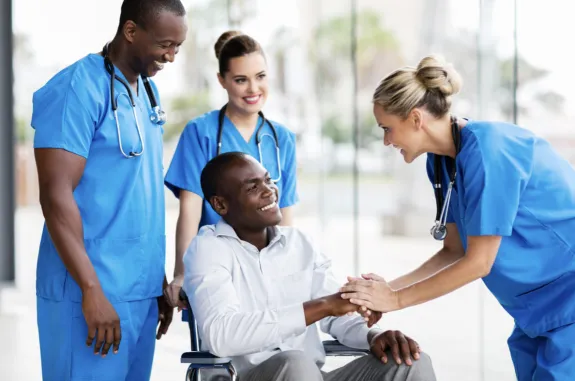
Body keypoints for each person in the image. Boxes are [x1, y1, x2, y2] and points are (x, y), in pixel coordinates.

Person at [339, 55, 575, 381]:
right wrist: (383, 291)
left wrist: (395, 299)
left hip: (568, 301)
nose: (386, 141)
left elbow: (479, 262)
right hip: (536, 313)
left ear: (416, 118)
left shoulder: (490, 150)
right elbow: (453, 250)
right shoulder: (440, 162)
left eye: (387, 129)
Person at [30, 1, 187, 380]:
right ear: (131, 31)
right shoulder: (75, 89)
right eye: (164, 44)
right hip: (88, 292)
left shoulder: (147, 92)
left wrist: (156, 282)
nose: (171, 56)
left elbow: (136, 193)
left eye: (178, 47)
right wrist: (91, 290)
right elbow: (55, 197)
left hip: (139, 293)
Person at [182, 151, 437, 381]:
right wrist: (323, 306)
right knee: (294, 362)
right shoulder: (208, 249)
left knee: (410, 362)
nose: (269, 190)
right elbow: (221, 336)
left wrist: (374, 336)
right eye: (252, 187)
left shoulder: (299, 243)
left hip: (310, 376)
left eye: (269, 180)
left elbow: (339, 317)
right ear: (220, 205)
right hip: (248, 376)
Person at [163, 31, 299, 308]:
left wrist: (289, 274)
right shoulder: (201, 132)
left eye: (260, 76)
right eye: (241, 80)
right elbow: (190, 211)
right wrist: (182, 274)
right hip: (215, 270)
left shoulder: (282, 138)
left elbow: (285, 216)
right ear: (222, 80)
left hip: (267, 274)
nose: (253, 89)